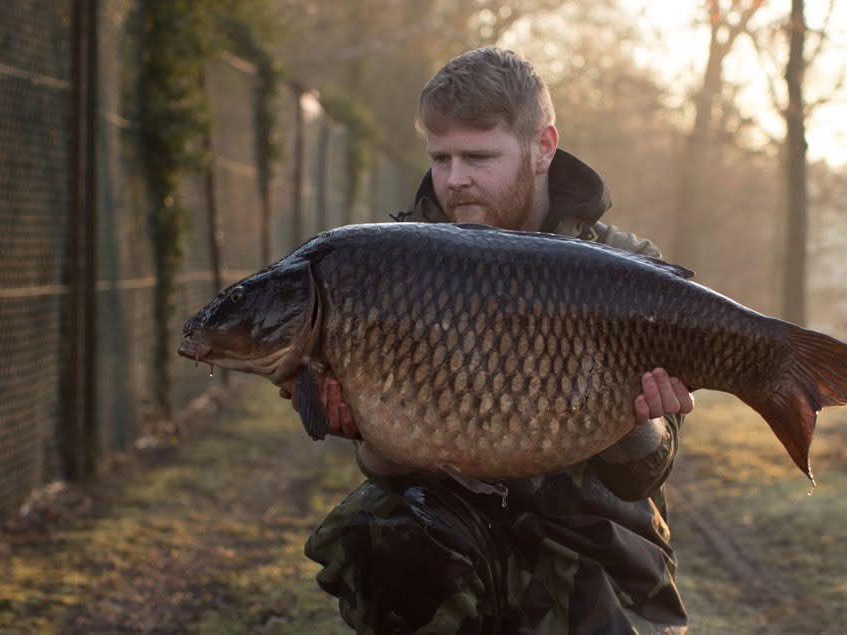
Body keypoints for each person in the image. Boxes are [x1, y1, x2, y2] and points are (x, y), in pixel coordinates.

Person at [289, 47, 693, 634]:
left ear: (543, 148)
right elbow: (383, 467)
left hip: (590, 537)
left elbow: (643, 477)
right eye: (441, 157)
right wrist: (367, 430)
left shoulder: (626, 265)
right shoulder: (396, 261)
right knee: (390, 534)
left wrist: (641, 418)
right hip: (448, 530)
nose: (455, 180)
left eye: (478, 157)